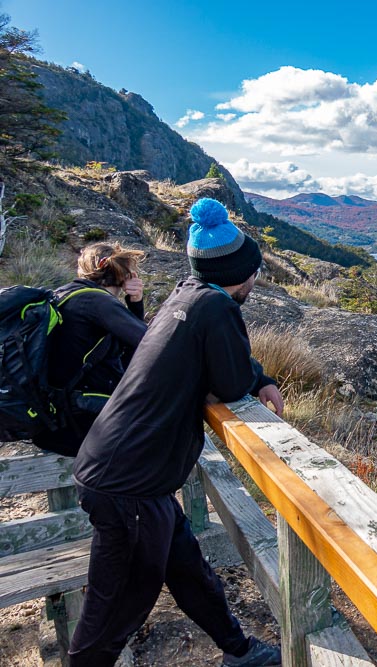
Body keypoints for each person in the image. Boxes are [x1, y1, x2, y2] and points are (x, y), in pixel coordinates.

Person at [70, 198, 284, 667]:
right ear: (243, 272)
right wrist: (255, 379)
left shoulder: (187, 294)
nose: (254, 281)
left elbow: (216, 360)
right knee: (112, 614)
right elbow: (227, 381)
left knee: (187, 570)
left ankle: (239, 650)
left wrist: (260, 374)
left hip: (128, 471)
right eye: (255, 272)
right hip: (129, 484)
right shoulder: (218, 308)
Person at [32, 242, 147, 457]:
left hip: (53, 423)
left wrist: (135, 303)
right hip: (84, 425)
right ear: (123, 275)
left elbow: (131, 350)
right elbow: (151, 344)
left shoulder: (65, 295)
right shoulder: (97, 303)